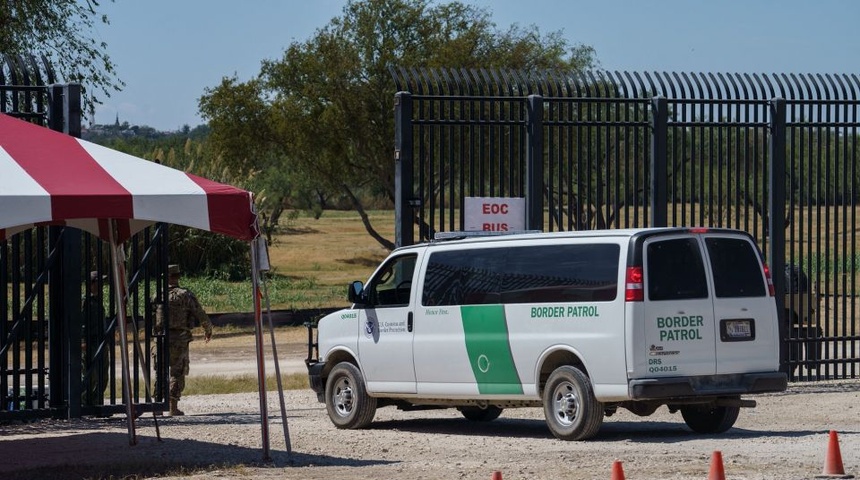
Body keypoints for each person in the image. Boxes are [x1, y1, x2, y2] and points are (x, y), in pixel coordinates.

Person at [152, 264, 213, 416]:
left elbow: (149, 315)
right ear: (177, 276)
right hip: (179, 338)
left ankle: (158, 407)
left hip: (160, 338)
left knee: (160, 371)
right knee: (177, 371)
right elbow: (199, 313)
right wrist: (208, 329)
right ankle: (173, 407)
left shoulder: (156, 295)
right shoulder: (185, 294)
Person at [81, 271, 109, 406]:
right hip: (90, 342)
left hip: (101, 342)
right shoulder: (85, 301)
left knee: (103, 376)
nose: (101, 285)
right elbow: (81, 322)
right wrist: (83, 341)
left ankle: (98, 403)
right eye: (98, 282)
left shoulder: (98, 300)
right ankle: (87, 404)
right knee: (90, 375)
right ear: (91, 284)